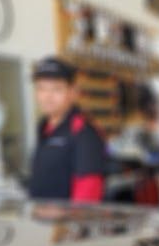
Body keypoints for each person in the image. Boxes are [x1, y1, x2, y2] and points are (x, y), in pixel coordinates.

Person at [27, 57, 106, 202]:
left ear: (73, 92)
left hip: (65, 223)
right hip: (42, 221)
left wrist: (69, 224)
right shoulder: (43, 127)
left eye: (56, 89)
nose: (47, 97)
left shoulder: (84, 132)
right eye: (41, 88)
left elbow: (87, 196)